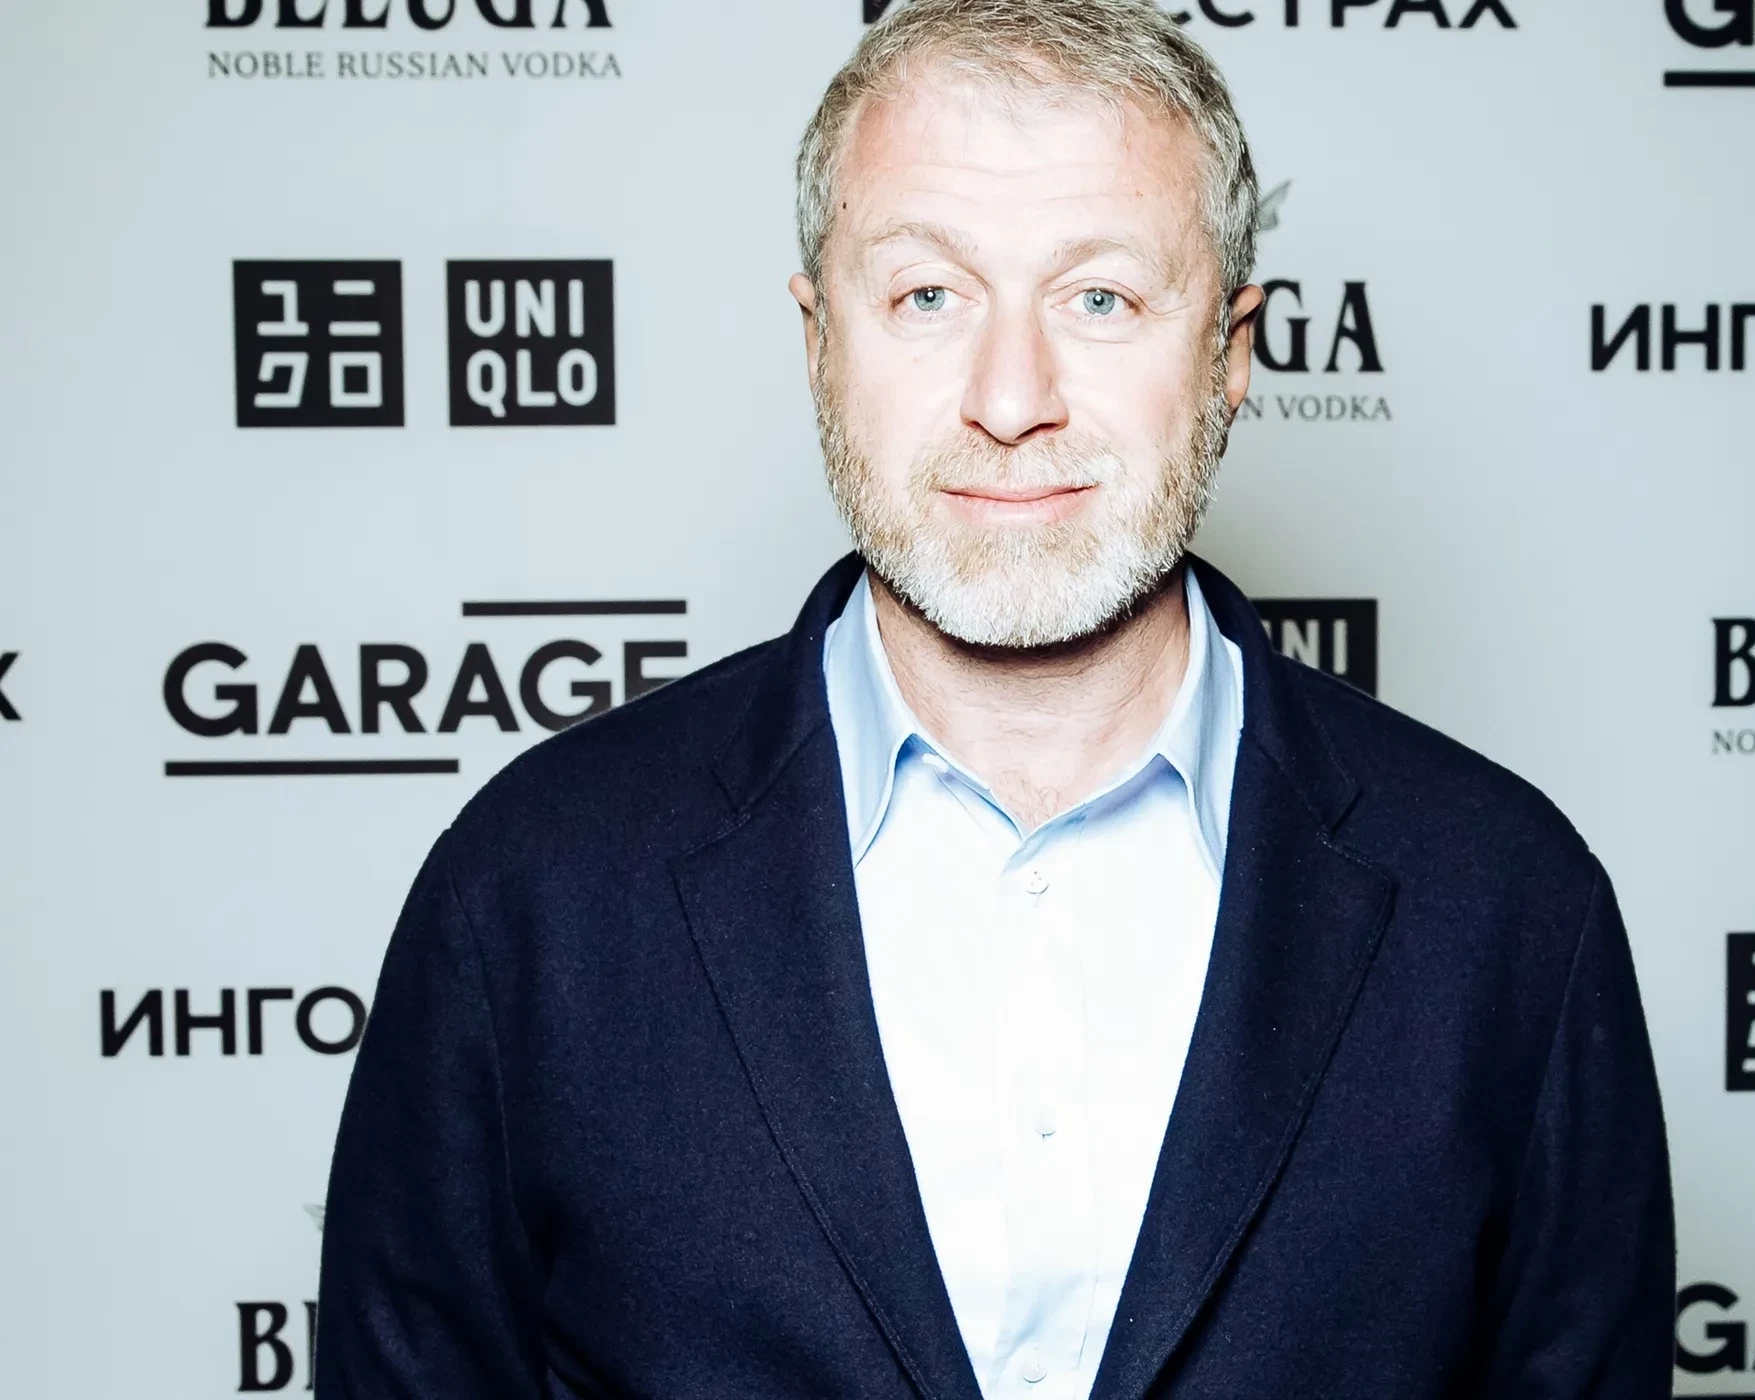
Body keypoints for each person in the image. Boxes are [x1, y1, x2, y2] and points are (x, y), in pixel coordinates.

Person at [316, 1, 1674, 1396]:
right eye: (927, 296)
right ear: (817, 342)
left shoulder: (1508, 906)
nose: (1011, 399)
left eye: (1099, 299)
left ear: (1230, 353)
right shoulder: (531, 893)